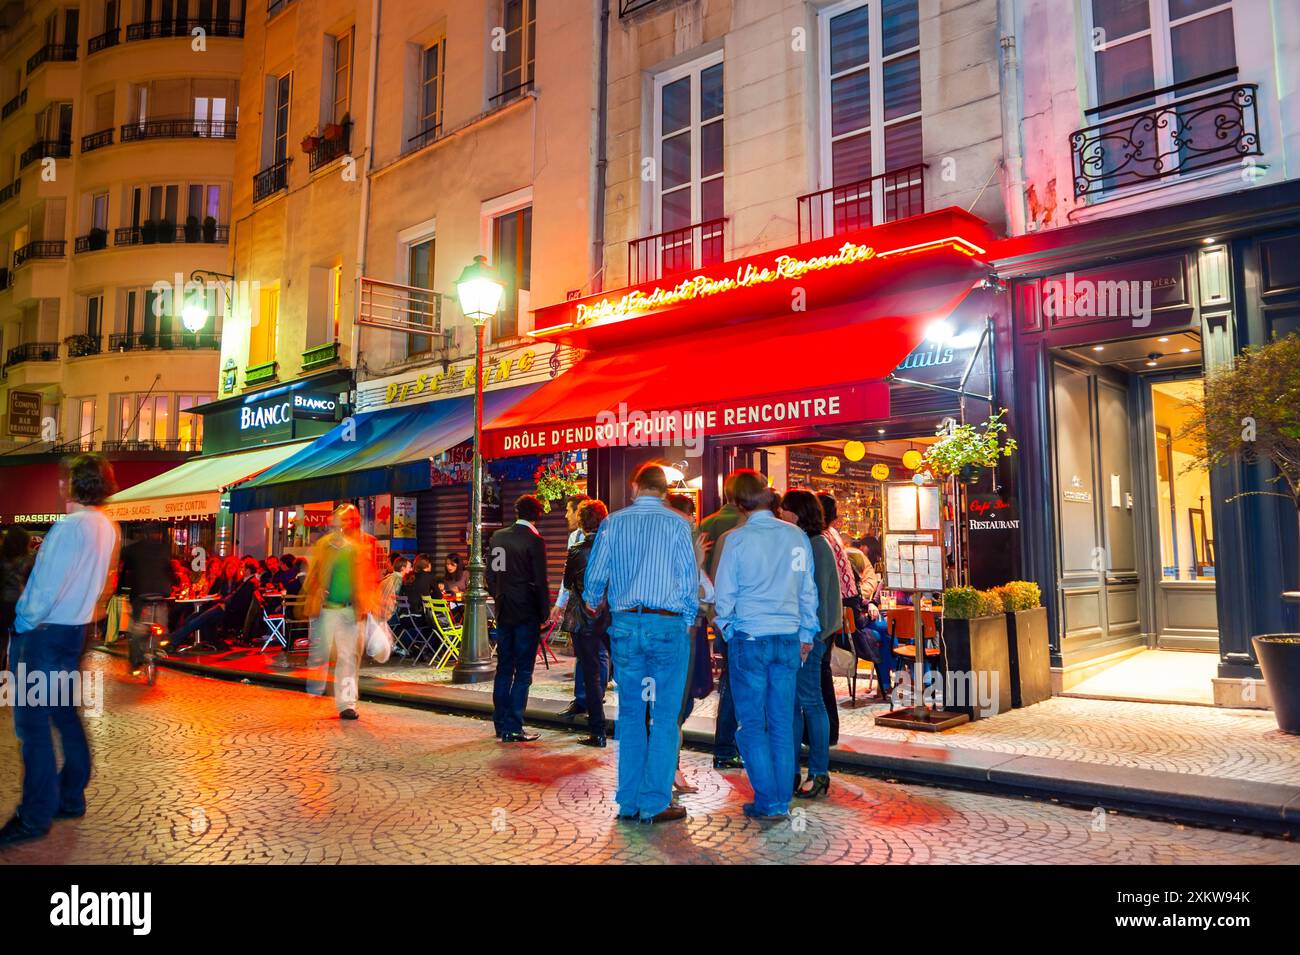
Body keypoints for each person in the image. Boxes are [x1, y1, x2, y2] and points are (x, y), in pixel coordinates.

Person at [1, 455, 120, 846]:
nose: (60, 485)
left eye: (66, 479)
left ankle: (34, 816)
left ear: (76, 484)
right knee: (65, 717)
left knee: (32, 728)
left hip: (44, 636)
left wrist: (21, 623)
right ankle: (70, 795)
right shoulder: (105, 527)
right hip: (74, 632)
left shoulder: (69, 528)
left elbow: (46, 588)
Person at [584, 464, 698, 824]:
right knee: (665, 717)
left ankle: (629, 801)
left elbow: (595, 578)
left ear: (635, 486)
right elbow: (687, 578)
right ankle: (655, 802)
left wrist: (592, 598)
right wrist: (689, 618)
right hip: (666, 625)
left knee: (632, 714)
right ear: (664, 491)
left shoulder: (612, 523)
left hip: (626, 625)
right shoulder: (679, 524)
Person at [713, 470, 818, 821]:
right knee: (782, 721)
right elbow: (807, 589)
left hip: (750, 636)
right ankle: (779, 800)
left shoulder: (738, 541)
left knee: (753, 724)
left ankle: (769, 800)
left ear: (739, 503)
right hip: (787, 638)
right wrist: (807, 633)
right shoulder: (796, 536)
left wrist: (727, 628)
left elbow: (724, 595)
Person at [781, 489, 841, 799]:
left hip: (810, 636)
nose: (780, 514)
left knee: (809, 702)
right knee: (794, 704)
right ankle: (792, 770)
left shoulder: (814, 545)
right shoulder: (810, 543)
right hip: (805, 635)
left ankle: (817, 772)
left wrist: (810, 638)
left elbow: (813, 597)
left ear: (798, 513)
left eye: (785, 509)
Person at [303, 504, 381, 720]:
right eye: (341, 520)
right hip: (327, 608)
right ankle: (316, 686)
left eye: (349, 519)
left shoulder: (365, 544)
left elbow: (370, 576)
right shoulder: (325, 545)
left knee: (348, 658)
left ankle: (347, 704)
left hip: (350, 608)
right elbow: (313, 574)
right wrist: (314, 593)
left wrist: (370, 602)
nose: (345, 524)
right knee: (324, 653)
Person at [486, 494, 550, 743]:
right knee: (523, 671)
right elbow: (540, 581)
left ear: (516, 512)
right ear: (537, 515)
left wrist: (499, 595)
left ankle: (500, 723)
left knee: (504, 667)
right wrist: (544, 612)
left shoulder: (498, 537)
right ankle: (514, 725)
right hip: (526, 612)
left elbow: (492, 575)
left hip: (504, 610)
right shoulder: (534, 541)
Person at [698, 473, 745, 771]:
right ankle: (729, 746)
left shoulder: (708, 523)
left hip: (716, 612)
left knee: (730, 676)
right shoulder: (747, 527)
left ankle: (725, 746)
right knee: (739, 679)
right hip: (746, 615)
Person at [560, 500, 611, 746]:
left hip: (583, 618)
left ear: (581, 522)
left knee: (590, 674)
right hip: (610, 616)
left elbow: (568, 583)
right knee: (621, 669)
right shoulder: (614, 549)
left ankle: (597, 731)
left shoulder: (576, 550)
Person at [818, 493, 857, 745]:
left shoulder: (821, 539)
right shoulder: (833, 536)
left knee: (818, 675)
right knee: (821, 674)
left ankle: (825, 734)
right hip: (838, 609)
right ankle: (826, 732)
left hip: (828, 613)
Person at [119, 526, 178, 674]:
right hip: (160, 593)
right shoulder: (164, 549)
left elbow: (124, 569)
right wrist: (174, 583)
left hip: (141, 594)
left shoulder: (133, 549)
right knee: (161, 624)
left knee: (135, 630)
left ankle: (135, 662)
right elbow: (170, 570)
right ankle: (160, 645)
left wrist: (119, 589)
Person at [1, 527, 34, 670]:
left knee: (1, 641)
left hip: (2, 603)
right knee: (20, 641)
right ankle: (16, 672)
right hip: (22, 605)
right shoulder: (31, 558)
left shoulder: (1, 557)